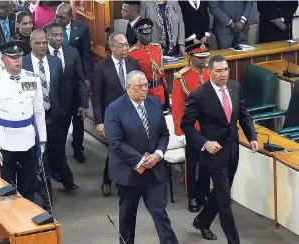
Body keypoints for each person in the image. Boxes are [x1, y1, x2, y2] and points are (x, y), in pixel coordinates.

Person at [181, 55, 259, 244]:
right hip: (213, 154)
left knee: (220, 193)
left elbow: (243, 114)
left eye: (226, 69)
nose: (224, 74)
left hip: (232, 150)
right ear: (209, 72)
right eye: (219, 71)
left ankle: (202, 221)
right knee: (224, 200)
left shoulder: (234, 87)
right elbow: (187, 125)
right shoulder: (198, 95)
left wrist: (252, 137)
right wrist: (204, 143)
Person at [104, 70, 179, 244]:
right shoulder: (114, 109)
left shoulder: (154, 103)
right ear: (129, 87)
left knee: (160, 213)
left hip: (155, 170)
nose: (145, 89)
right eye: (140, 86)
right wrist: (142, 160)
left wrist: (158, 154)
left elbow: (163, 134)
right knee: (128, 218)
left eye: (146, 85)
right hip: (129, 173)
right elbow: (116, 143)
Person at [0, 40, 46, 201]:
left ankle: (28, 218)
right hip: (5, 141)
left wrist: (42, 140)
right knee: (7, 187)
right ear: (3, 59)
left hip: (28, 139)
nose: (17, 60)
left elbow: (39, 112)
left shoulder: (32, 79)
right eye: (12, 57)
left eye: (19, 56)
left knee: (28, 185)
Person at [23, 30, 78, 196]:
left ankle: (67, 180)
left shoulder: (54, 62)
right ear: (30, 43)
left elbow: (61, 88)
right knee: (39, 155)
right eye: (37, 43)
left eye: (43, 43)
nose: (41, 46)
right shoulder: (24, 63)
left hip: (55, 116)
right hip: (32, 118)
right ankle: (45, 192)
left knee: (58, 152)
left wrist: (61, 110)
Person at [92, 32, 140, 196]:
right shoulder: (100, 68)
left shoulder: (134, 63)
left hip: (133, 114)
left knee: (133, 147)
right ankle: (108, 179)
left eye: (127, 45)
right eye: (122, 45)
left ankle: (130, 180)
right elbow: (97, 97)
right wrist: (99, 121)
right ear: (112, 47)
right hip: (112, 117)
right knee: (115, 149)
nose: (126, 48)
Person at [172, 42, 211, 212]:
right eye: (200, 57)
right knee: (192, 164)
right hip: (192, 128)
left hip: (209, 126)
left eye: (205, 56)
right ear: (191, 57)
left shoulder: (210, 73)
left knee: (207, 163)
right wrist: (180, 130)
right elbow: (178, 106)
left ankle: (204, 193)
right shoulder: (182, 77)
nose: (204, 60)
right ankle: (192, 196)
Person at [52, 3, 92, 162]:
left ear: (70, 17)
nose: (58, 19)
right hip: (58, 82)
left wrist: (87, 78)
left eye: (61, 17)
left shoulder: (81, 29)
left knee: (78, 118)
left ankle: (78, 149)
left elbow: (85, 55)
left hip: (76, 80)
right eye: (56, 16)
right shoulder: (50, 29)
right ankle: (58, 152)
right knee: (60, 119)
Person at [128, 18, 170, 111]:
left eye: (149, 33)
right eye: (144, 34)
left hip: (159, 92)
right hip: (144, 94)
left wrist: (164, 89)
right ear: (137, 34)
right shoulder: (131, 53)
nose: (147, 36)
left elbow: (161, 72)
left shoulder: (157, 47)